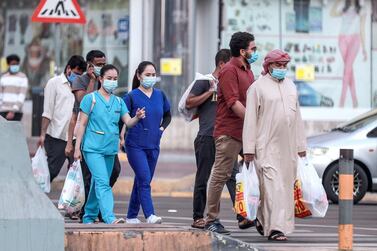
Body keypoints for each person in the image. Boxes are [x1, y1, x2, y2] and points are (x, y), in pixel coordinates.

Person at [243, 49, 306, 241]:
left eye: (284, 66)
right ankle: (276, 229)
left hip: (288, 149)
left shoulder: (291, 87)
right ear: (269, 66)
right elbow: (250, 120)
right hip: (266, 147)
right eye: (278, 65)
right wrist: (248, 150)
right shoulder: (257, 88)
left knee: (284, 189)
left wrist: (301, 145)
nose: (282, 69)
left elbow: (297, 119)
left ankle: (265, 221)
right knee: (273, 188)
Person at [186, 49, 253, 230]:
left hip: (226, 135)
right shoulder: (204, 81)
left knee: (231, 176)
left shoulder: (230, 81)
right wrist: (210, 92)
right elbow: (189, 102)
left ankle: (241, 215)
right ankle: (199, 217)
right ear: (222, 64)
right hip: (206, 136)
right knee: (204, 177)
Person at [74, 64, 145, 224]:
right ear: (100, 79)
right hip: (92, 148)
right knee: (102, 182)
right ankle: (109, 217)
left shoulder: (119, 102)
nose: (112, 82)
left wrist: (138, 117)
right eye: (109, 78)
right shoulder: (89, 99)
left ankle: (89, 216)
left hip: (110, 150)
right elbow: (82, 124)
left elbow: (128, 121)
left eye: (115, 79)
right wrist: (77, 148)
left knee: (96, 182)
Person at [204, 32, 257, 234]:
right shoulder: (229, 70)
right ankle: (211, 220)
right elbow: (234, 102)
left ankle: (246, 215)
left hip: (246, 131)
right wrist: (254, 122)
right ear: (242, 51)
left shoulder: (248, 70)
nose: (255, 52)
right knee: (221, 175)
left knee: (254, 173)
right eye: (253, 48)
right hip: (229, 132)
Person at [65, 50, 121, 220]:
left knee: (112, 172)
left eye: (103, 63)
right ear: (89, 65)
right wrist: (92, 79)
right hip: (87, 137)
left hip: (105, 139)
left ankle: (93, 210)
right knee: (90, 176)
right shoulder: (80, 80)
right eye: (98, 64)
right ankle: (90, 214)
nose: (101, 67)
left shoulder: (107, 81)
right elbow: (84, 102)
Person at [123, 61, 171, 224]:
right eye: (147, 75)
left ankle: (131, 216)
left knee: (142, 180)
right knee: (144, 178)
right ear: (139, 76)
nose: (151, 78)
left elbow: (168, 115)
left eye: (153, 75)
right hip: (135, 145)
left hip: (154, 144)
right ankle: (150, 214)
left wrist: (162, 129)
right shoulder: (130, 97)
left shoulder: (160, 95)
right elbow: (121, 120)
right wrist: (120, 137)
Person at [38, 55, 86, 182]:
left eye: (80, 74)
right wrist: (42, 134)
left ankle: (70, 201)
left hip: (75, 138)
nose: (77, 77)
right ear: (68, 68)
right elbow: (47, 112)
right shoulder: (54, 83)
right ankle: (34, 196)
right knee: (51, 172)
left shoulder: (81, 87)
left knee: (78, 175)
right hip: (56, 136)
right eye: (76, 73)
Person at [331, 0, 367, 108]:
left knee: (347, 70)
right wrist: (337, 2)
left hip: (355, 40)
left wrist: (364, 49)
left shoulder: (361, 10)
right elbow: (332, 13)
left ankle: (341, 103)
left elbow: (362, 29)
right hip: (342, 39)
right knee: (349, 70)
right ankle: (355, 101)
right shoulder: (344, 9)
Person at [0, 54, 28, 121]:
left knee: (14, 131)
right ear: (8, 65)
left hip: (16, 112)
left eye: (17, 64)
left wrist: (13, 111)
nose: (15, 66)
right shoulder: (3, 78)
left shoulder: (23, 78)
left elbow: (22, 96)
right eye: (13, 64)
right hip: (3, 111)